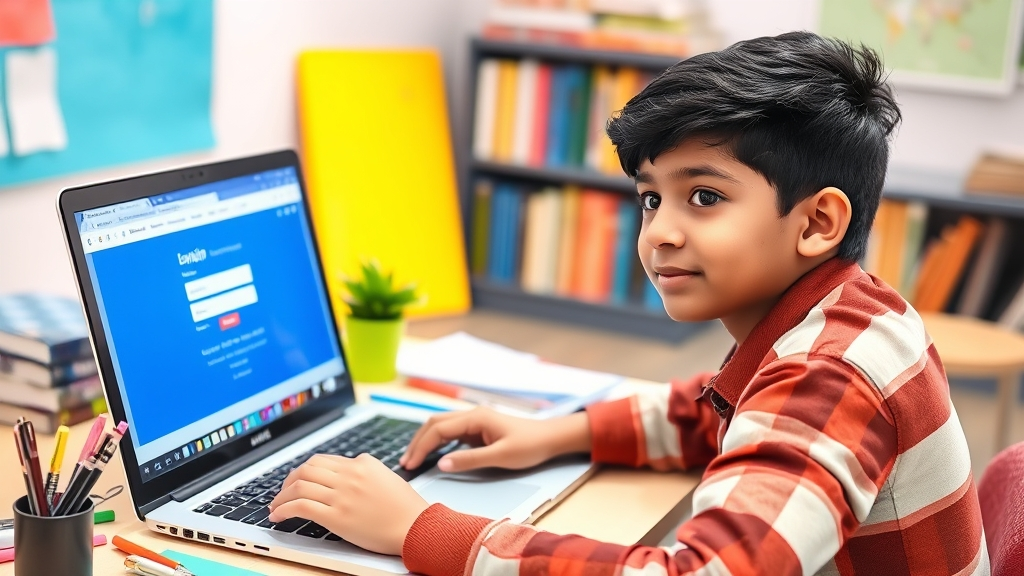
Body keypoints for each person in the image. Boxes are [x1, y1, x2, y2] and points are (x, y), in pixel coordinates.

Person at [268, 31, 986, 575]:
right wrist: (559, 433)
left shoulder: (830, 373)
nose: (660, 233)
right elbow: (717, 412)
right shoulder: (853, 314)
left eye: (704, 196)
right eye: (650, 198)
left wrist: (420, 530)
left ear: (817, 222)